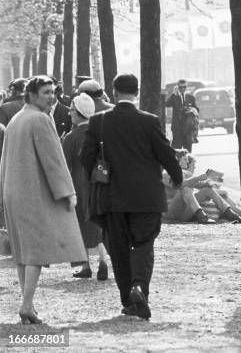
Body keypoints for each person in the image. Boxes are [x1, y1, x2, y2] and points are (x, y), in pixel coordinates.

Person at [81, 73, 183, 320]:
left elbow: (85, 158)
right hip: (146, 198)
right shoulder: (150, 121)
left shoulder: (98, 121)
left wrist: (97, 176)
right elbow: (165, 154)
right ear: (136, 92)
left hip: (112, 198)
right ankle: (140, 287)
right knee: (144, 245)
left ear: (114, 93)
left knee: (118, 249)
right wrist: (177, 178)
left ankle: (128, 299)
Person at [1, 75, 86, 324]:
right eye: (46, 92)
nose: (52, 96)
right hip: (32, 194)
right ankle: (27, 304)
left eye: (53, 92)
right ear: (32, 95)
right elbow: (54, 159)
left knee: (22, 252)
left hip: (13, 193)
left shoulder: (16, 119)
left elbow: (4, 160)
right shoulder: (41, 119)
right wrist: (67, 192)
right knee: (35, 251)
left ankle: (28, 302)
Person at [62, 94, 110, 281]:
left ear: (79, 113)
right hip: (101, 183)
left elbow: (64, 165)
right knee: (100, 224)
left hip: (79, 186)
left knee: (81, 226)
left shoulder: (71, 137)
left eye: (72, 110)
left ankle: (85, 265)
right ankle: (103, 259)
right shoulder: (101, 134)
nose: (70, 113)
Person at [163, 149, 241, 223]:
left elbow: (199, 185)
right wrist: (198, 178)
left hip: (183, 214)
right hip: (170, 213)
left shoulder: (187, 173)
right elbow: (179, 185)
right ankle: (202, 217)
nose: (187, 161)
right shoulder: (166, 173)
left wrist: (208, 183)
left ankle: (231, 214)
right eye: (184, 159)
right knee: (186, 189)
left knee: (207, 190)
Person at [165, 78, 199, 152]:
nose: (183, 89)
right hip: (177, 129)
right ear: (177, 87)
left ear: (186, 87)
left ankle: (188, 164)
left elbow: (197, 110)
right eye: (180, 87)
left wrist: (191, 109)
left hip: (188, 129)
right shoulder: (175, 97)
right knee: (176, 151)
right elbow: (167, 104)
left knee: (188, 152)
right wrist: (174, 93)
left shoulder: (191, 97)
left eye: (184, 87)